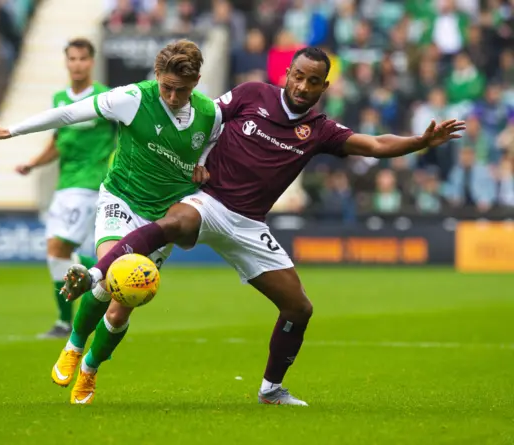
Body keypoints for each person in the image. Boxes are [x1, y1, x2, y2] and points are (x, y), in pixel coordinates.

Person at [63, 47, 466, 406]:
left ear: (323, 86)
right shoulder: (251, 94)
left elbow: (375, 145)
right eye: (298, 76)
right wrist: (196, 162)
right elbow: (203, 119)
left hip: (249, 225)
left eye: (313, 82)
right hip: (209, 202)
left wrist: (420, 142)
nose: (303, 86)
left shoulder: (321, 130)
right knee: (175, 220)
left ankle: (272, 389)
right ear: (286, 73)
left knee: (299, 307)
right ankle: (96, 274)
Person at [0, 39, 223, 404]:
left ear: (197, 82)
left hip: (163, 218)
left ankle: (91, 368)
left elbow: (212, 143)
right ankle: (75, 345)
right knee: (115, 276)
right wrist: (11, 131)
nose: (173, 97)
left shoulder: (210, 114)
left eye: (182, 90)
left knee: (124, 302)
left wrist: (204, 161)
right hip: (121, 198)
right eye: (167, 87)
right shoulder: (132, 98)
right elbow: (68, 114)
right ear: (157, 75)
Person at [14, 38, 117, 339]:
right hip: (64, 184)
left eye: (83, 59)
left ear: (91, 62)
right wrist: (33, 163)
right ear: (66, 62)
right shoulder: (60, 98)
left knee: (60, 249)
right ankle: (67, 317)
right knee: (55, 255)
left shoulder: (104, 98)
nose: (77, 64)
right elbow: (57, 143)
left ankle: (109, 274)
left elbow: (125, 134)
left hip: (88, 183)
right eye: (72, 59)